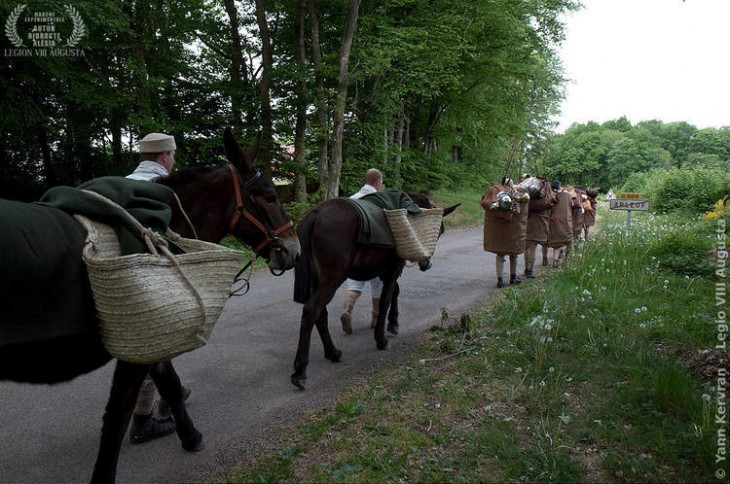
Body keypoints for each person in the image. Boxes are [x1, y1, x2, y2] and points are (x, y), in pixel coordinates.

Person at [126, 132, 190, 444]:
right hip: (155, 276)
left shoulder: (121, 183)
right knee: (156, 345)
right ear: (166, 156)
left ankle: (172, 390)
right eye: (172, 155)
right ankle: (142, 421)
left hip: (124, 276)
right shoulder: (168, 189)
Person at [339, 168, 385, 334]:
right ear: (378, 182)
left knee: (354, 283)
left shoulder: (351, 200)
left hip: (354, 250)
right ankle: (376, 317)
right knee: (378, 282)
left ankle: (346, 310)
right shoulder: (380, 200)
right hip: (374, 249)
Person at [481, 176, 529, 288]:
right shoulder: (516, 194)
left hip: (499, 230)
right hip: (512, 231)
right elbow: (517, 212)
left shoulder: (495, 193)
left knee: (500, 254)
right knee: (514, 254)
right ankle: (513, 277)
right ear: (511, 183)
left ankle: (500, 280)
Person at [523, 177, 556, 278]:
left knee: (527, 247)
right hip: (539, 222)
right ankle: (529, 271)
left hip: (527, 220)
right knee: (533, 247)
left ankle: (526, 268)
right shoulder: (546, 192)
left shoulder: (527, 193)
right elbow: (551, 204)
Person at [545, 180, 573, 268]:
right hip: (565, 221)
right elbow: (571, 204)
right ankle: (566, 261)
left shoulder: (551, 195)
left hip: (554, 221)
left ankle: (555, 261)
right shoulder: (567, 194)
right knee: (567, 241)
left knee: (556, 243)